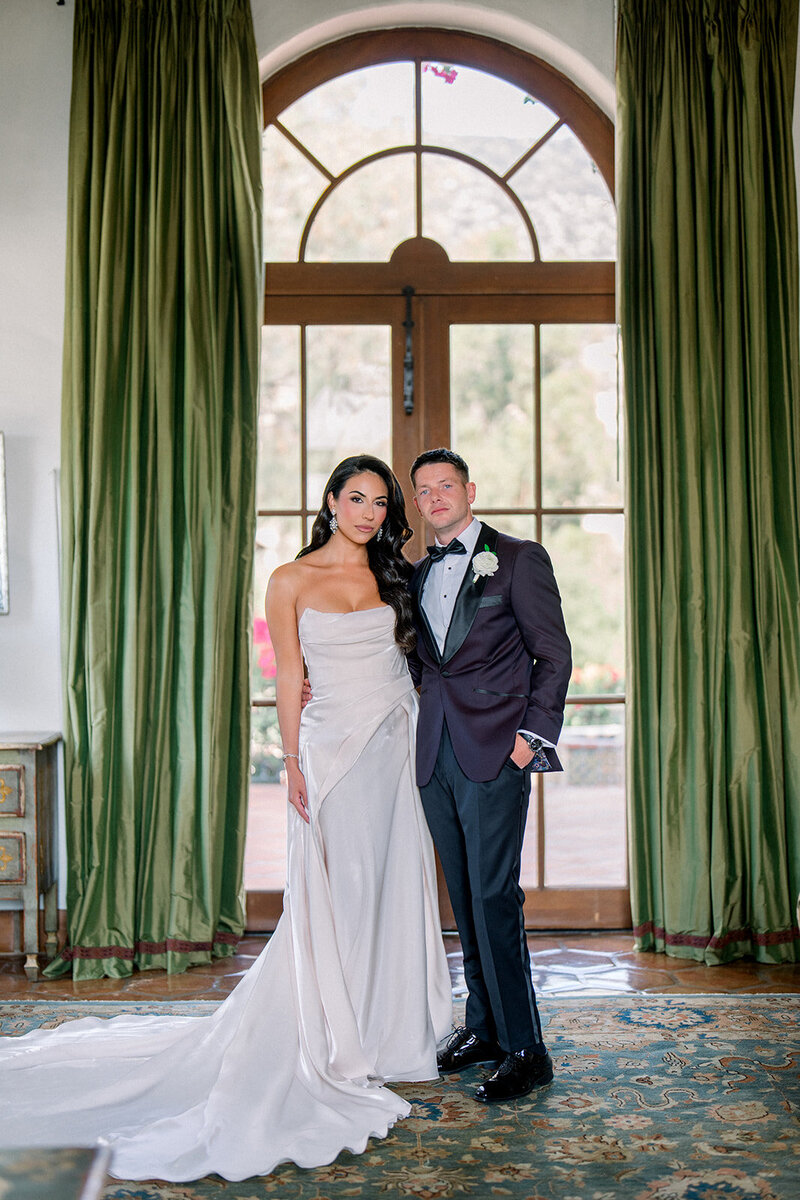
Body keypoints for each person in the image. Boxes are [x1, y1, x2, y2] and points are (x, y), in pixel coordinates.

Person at [0, 455, 452, 1183]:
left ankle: (391, 1029)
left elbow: (413, 666)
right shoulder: (291, 581)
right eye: (357, 499)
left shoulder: (395, 573)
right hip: (332, 753)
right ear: (332, 501)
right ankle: (333, 1035)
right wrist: (296, 762)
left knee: (391, 886)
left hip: (397, 747)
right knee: (338, 891)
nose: (369, 513)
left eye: (380, 502)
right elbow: (290, 678)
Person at [408, 448, 571, 1104]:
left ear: (469, 490)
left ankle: (527, 1048)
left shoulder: (519, 558)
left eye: (446, 485)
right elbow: (426, 667)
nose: (435, 496)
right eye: (423, 490)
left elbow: (553, 657)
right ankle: (484, 1028)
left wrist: (529, 743)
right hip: (435, 757)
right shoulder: (418, 573)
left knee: (495, 897)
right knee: (466, 898)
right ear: (418, 502)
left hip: (497, 753)